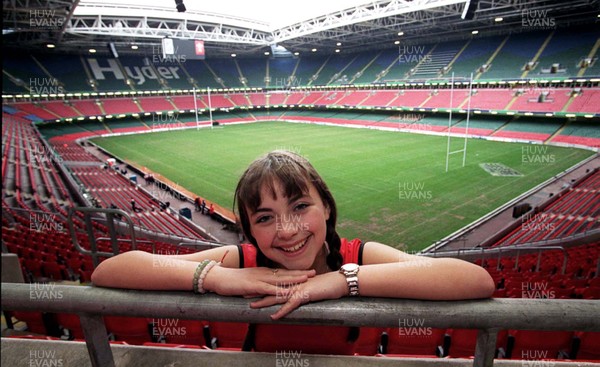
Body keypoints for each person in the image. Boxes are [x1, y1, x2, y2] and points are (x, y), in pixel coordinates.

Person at [93, 150, 494, 320]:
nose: (288, 231)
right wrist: (215, 276)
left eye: (301, 207)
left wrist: (341, 281)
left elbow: (473, 280)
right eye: (265, 218)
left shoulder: (357, 255)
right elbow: (110, 271)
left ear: (328, 208)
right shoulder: (244, 262)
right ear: (249, 231)